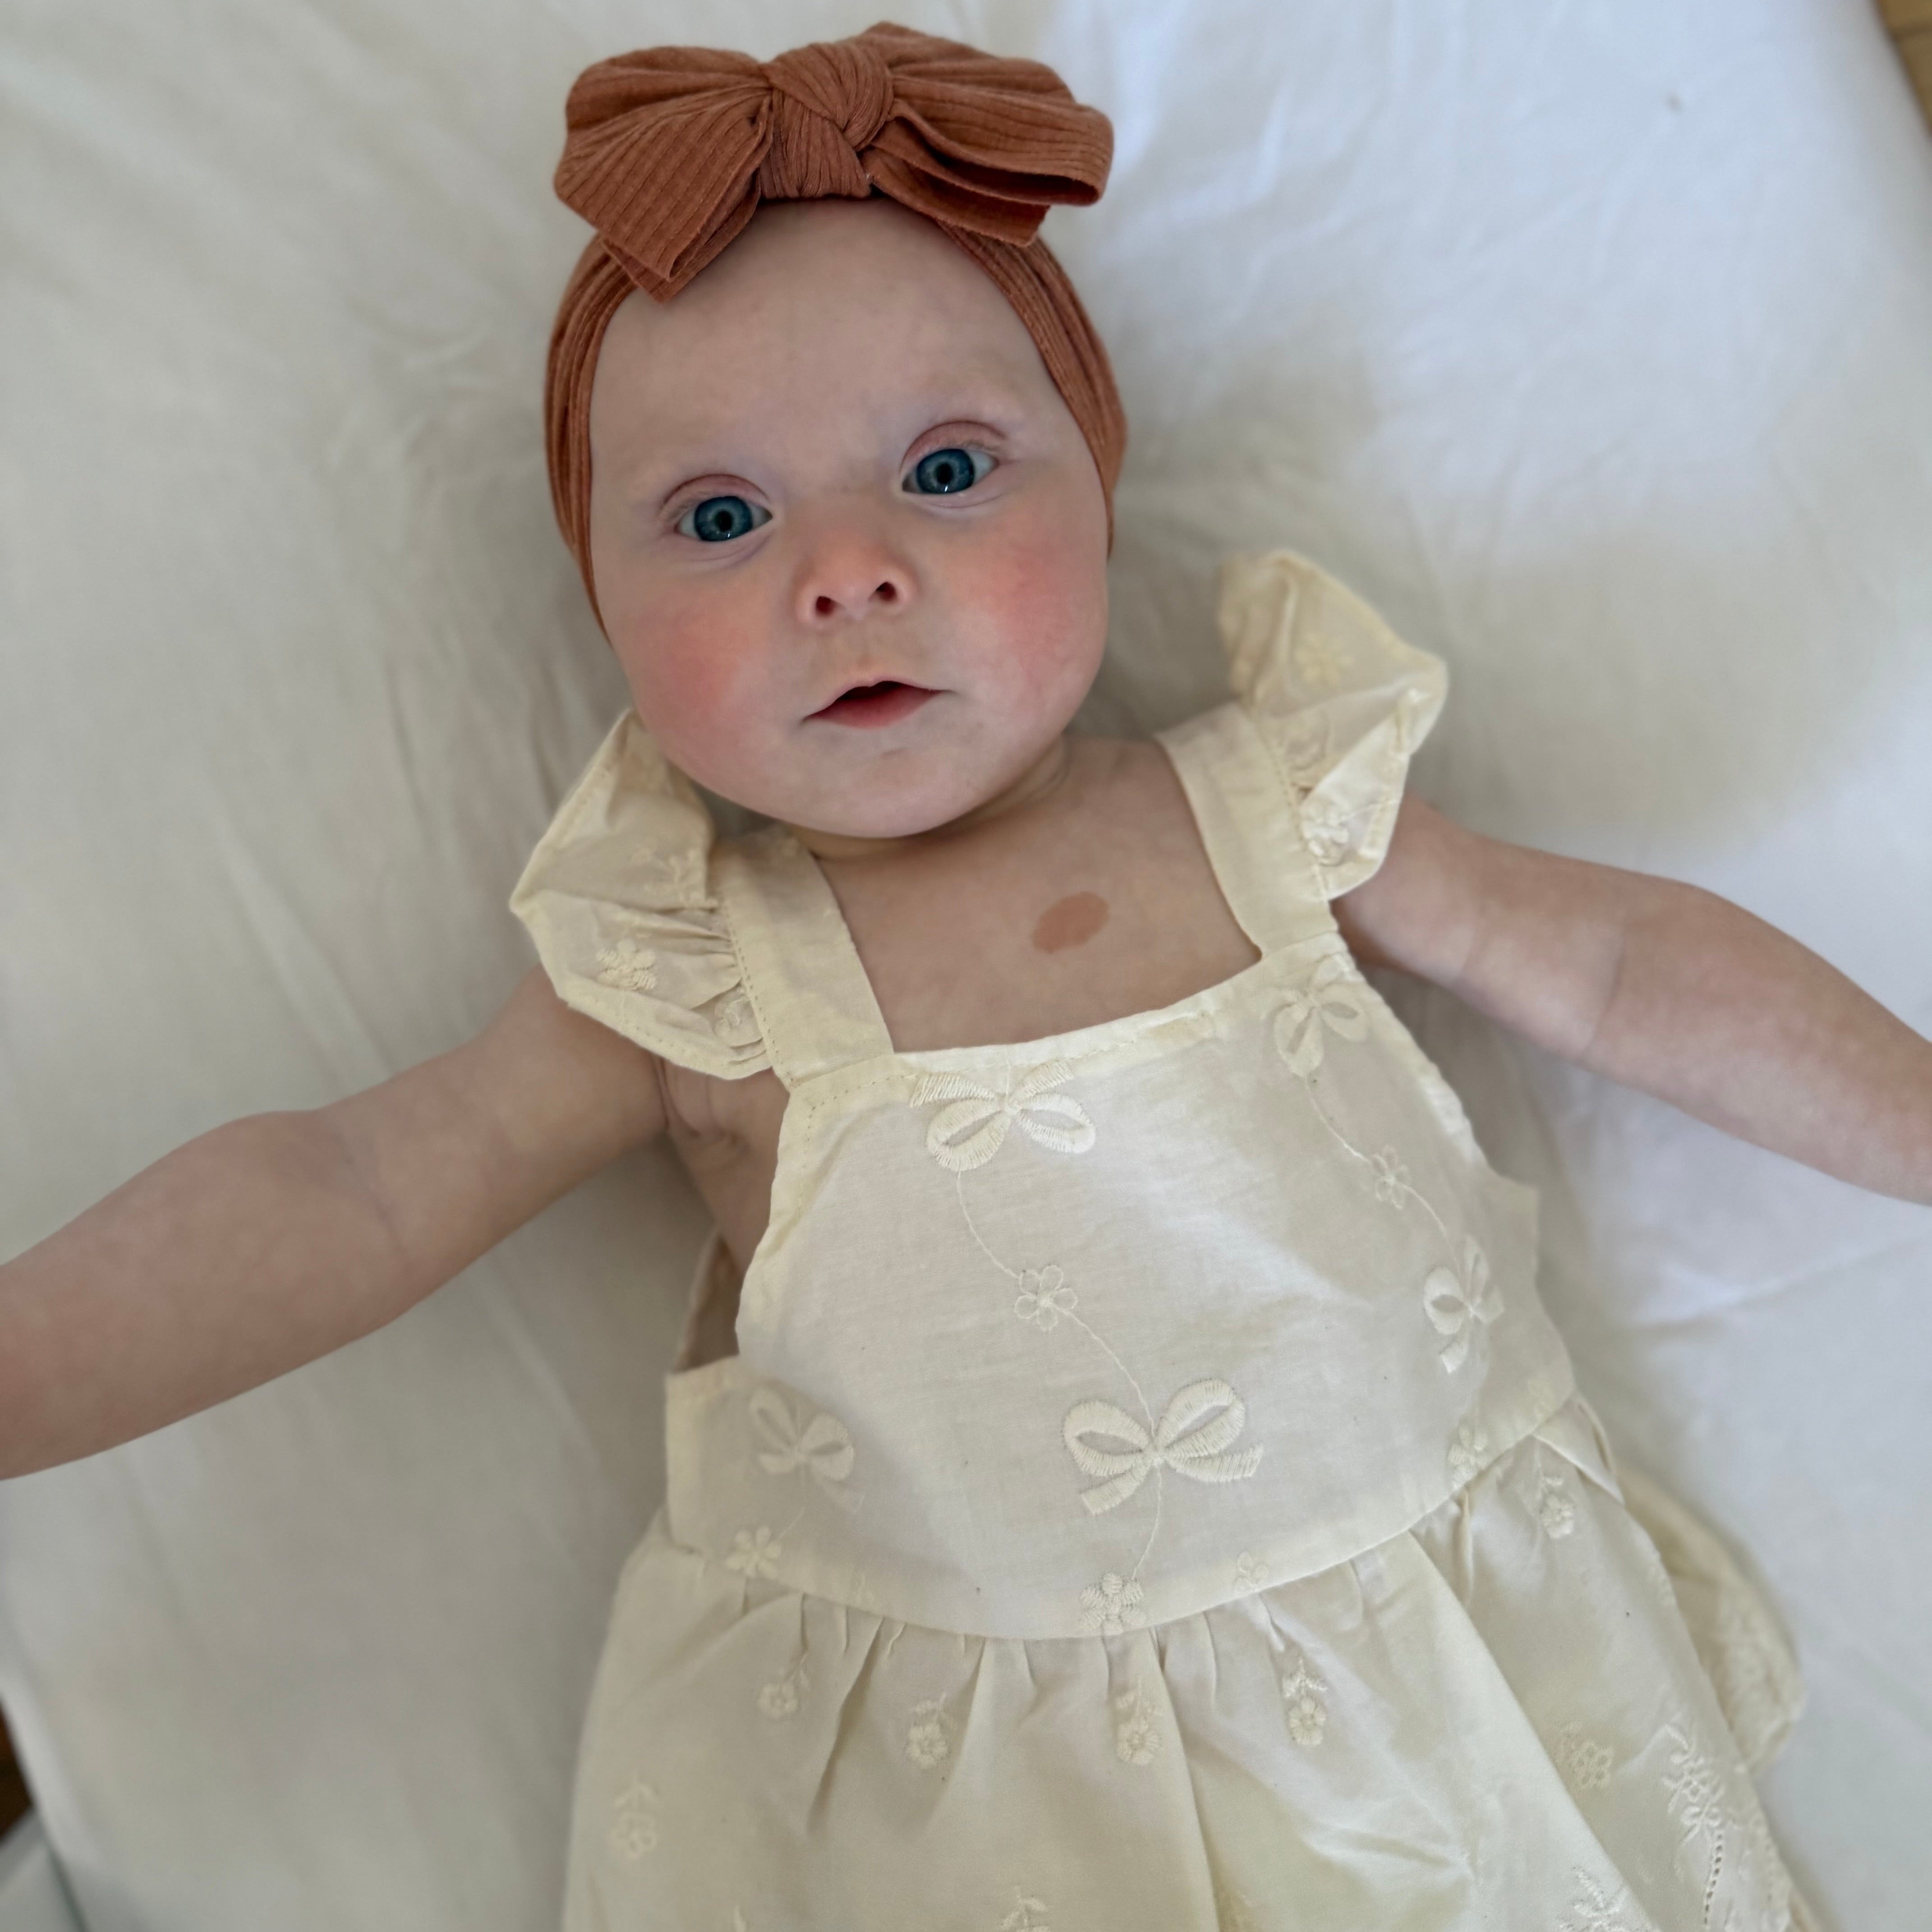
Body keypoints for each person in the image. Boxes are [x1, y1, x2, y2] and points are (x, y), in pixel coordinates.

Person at [2, 23, 1925, 1929]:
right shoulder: (690, 973)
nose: (846, 569)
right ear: (605, 611)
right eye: (722, 517)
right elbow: (353, 1187)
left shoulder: (1274, 811)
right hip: (988, 1809)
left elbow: (1615, 963)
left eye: (944, 468)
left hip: (1442, 1700)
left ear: (1099, 486)